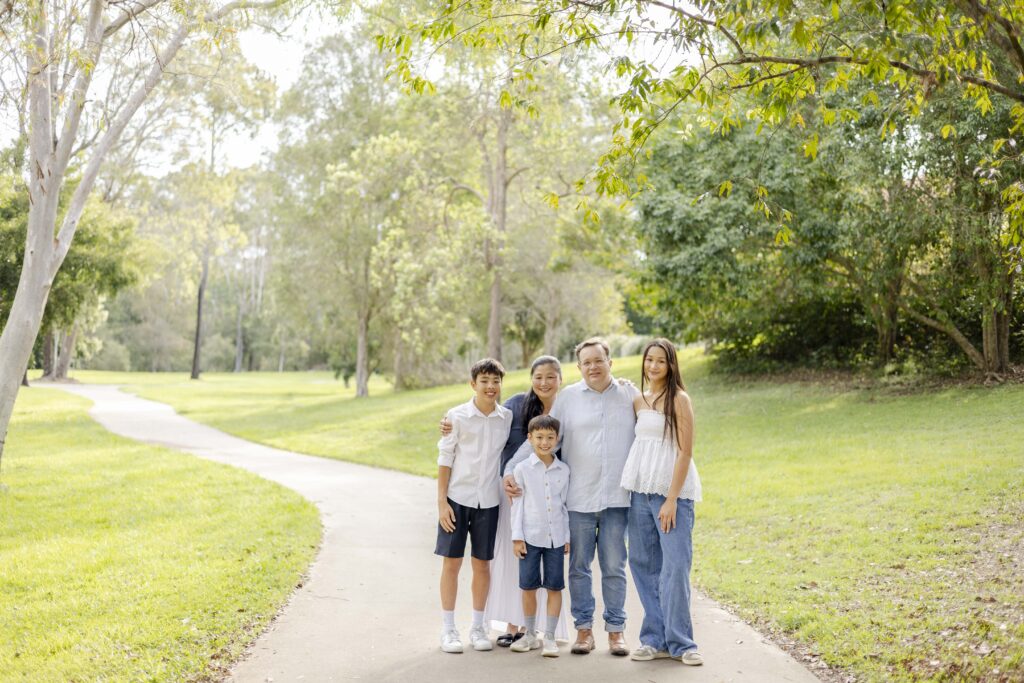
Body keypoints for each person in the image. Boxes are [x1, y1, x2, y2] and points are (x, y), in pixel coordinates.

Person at [504, 338, 638, 656]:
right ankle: (584, 630)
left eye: (598, 360)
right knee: (579, 568)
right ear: (579, 368)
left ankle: (616, 631)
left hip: (618, 498)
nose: (593, 366)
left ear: (610, 362)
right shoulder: (568, 399)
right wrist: (510, 468)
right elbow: (543, 438)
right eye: (586, 362)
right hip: (578, 499)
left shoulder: (631, 395)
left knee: (614, 566)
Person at [440, 356, 570, 646]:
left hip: (550, 494)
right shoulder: (516, 405)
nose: (544, 383)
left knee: (545, 560)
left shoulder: (569, 405)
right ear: (531, 379)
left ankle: (538, 628)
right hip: (511, 492)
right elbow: (484, 410)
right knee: (517, 559)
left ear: (561, 379)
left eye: (551, 377)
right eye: (538, 376)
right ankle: (514, 623)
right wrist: (449, 422)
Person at [620, 339, 704, 666]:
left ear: (671, 365)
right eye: (649, 360)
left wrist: (671, 498)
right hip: (639, 492)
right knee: (643, 565)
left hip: (672, 497)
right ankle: (654, 639)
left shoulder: (679, 400)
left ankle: (682, 643)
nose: (653, 366)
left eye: (661, 361)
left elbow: (685, 451)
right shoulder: (638, 400)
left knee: (676, 566)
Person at [435, 358, 513, 654]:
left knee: (482, 564)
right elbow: (445, 459)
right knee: (452, 563)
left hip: (489, 502)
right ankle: (448, 629)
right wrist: (442, 503)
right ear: (473, 384)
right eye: (485, 381)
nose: (491, 387)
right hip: (457, 500)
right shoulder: (456, 417)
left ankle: (478, 627)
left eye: (496, 381)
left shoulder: (506, 418)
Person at [508, 415, 570, 658]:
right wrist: (517, 537)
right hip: (529, 537)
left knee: (554, 587)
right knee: (528, 587)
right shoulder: (522, 469)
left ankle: (551, 637)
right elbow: (518, 505)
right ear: (530, 438)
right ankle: (531, 635)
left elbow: (564, 505)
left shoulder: (563, 470)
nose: (545, 442)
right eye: (540, 437)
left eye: (550, 437)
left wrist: (567, 536)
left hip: (555, 538)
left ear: (557, 439)